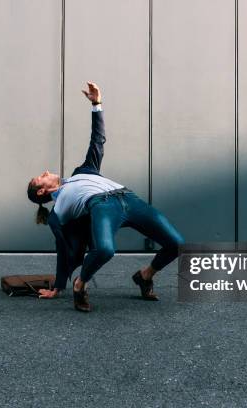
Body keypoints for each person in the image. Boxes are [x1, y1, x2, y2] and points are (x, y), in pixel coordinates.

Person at [27, 82, 184, 312]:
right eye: (40, 177)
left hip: (128, 198)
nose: (47, 172)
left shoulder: (83, 171)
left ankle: (145, 275)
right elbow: (62, 249)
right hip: (102, 206)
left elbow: (97, 141)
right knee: (105, 250)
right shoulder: (58, 210)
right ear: (42, 192)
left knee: (177, 244)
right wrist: (59, 286)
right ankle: (81, 285)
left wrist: (96, 104)